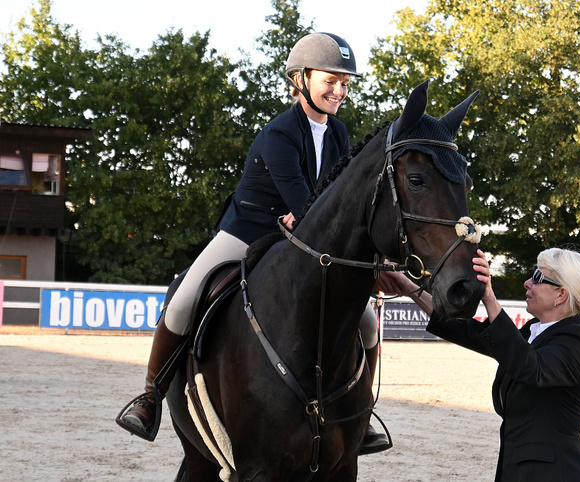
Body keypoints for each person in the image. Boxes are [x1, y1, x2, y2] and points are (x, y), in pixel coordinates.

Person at [117, 32, 390, 454]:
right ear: (300, 79)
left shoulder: (338, 133)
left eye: (344, 83)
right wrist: (306, 220)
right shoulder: (279, 133)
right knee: (184, 300)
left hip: (304, 236)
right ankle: (150, 396)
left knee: (367, 321)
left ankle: (361, 411)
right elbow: (305, 201)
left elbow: (333, 202)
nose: (339, 91)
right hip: (248, 229)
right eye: (330, 81)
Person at [377, 247, 580, 481]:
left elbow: (530, 368)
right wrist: (408, 287)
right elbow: (468, 331)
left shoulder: (579, 339)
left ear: (561, 295)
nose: (527, 283)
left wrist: (490, 298)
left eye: (537, 278)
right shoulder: (533, 332)